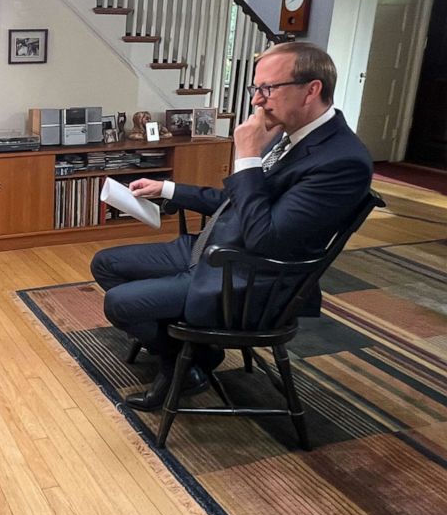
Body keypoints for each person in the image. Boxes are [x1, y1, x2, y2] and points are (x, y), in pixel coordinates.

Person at [90, 42, 373, 411]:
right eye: (256, 89)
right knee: (106, 264)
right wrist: (167, 188)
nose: (258, 101)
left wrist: (248, 156)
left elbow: (266, 239)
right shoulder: (292, 134)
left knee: (121, 303)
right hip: (213, 248)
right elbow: (235, 200)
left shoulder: (341, 160)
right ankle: (190, 358)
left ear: (312, 90)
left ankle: (190, 360)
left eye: (268, 88)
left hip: (248, 277)